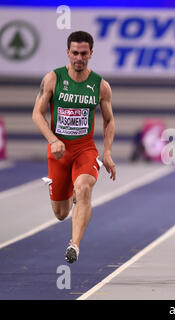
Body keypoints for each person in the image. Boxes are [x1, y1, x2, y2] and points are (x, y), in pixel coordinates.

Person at [32, 31, 116, 263]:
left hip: (85, 149)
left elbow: (109, 120)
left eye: (84, 53)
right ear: (68, 53)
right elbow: (37, 114)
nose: (79, 58)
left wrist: (107, 152)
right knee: (60, 214)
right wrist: (53, 140)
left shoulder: (101, 86)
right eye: (75, 53)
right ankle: (71, 192)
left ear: (91, 54)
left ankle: (74, 245)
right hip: (58, 150)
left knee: (84, 188)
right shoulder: (53, 78)